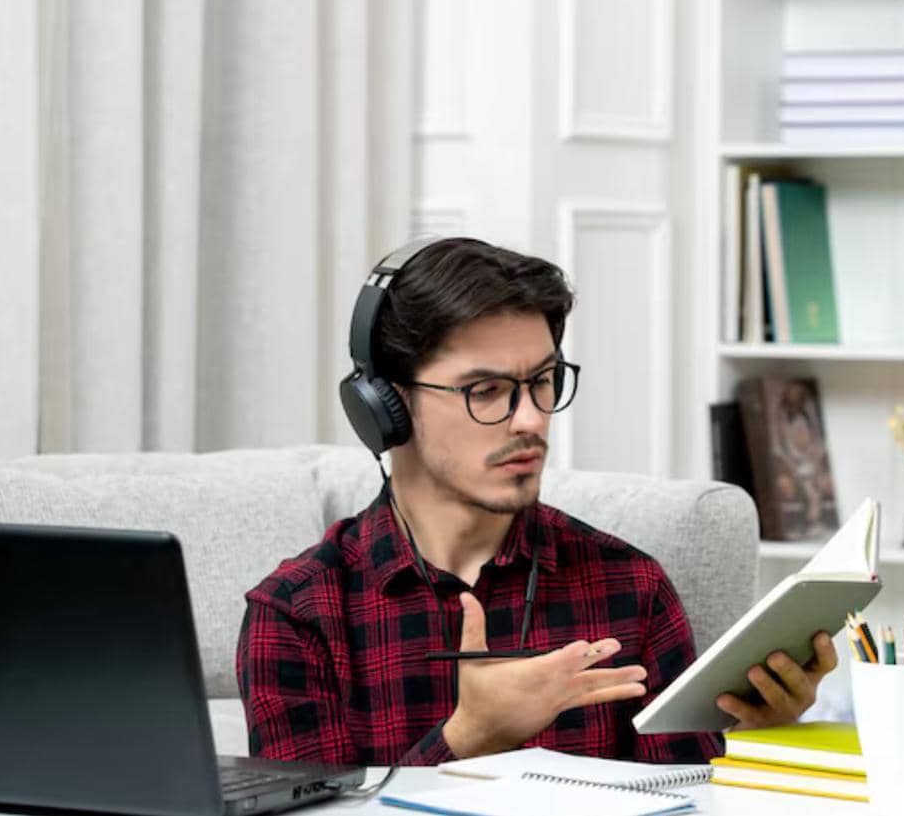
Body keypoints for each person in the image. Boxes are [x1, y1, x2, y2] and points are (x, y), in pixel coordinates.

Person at [237, 237, 836, 767]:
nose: (531, 420)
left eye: (543, 382)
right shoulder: (298, 615)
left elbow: (691, 798)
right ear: (385, 406)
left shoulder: (631, 586)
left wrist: (760, 738)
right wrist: (468, 737)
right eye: (487, 390)